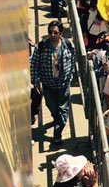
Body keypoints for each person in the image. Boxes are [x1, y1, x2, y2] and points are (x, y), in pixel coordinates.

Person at [30, 20, 77, 148]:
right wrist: (36, 81)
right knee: (51, 105)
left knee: (63, 109)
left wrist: (70, 75)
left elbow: (73, 60)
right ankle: (57, 119)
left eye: (55, 32)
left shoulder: (68, 45)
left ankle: (58, 134)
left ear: (60, 33)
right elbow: (34, 64)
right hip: (47, 84)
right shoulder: (41, 47)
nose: (52, 35)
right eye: (50, 32)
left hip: (63, 85)